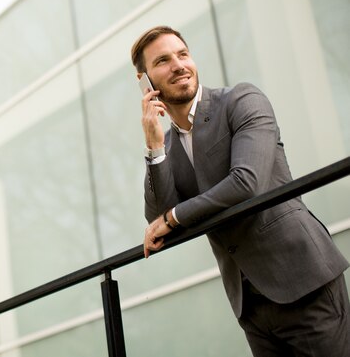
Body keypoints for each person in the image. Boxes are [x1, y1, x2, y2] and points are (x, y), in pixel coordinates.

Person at [132, 25, 350, 356]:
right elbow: (159, 219)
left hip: (303, 280)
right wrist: (154, 147)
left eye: (183, 54)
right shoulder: (170, 149)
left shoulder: (241, 100)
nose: (178, 65)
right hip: (249, 305)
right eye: (163, 60)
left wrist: (174, 217)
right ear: (144, 81)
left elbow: (246, 182)